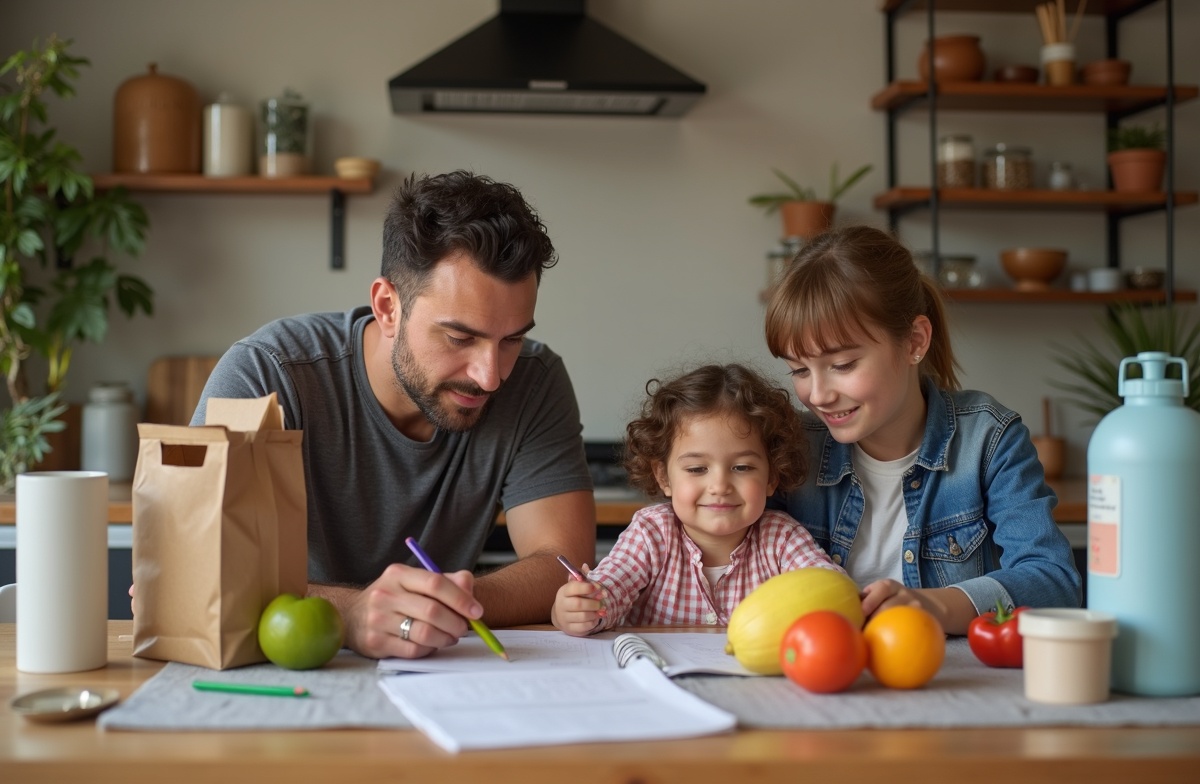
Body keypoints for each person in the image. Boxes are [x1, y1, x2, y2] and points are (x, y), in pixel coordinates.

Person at [192, 170, 597, 659]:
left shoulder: (535, 380)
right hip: (289, 666)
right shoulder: (266, 374)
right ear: (387, 307)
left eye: (511, 339)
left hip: (441, 665)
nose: (490, 376)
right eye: (459, 338)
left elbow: (564, 563)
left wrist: (437, 606)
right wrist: (351, 613)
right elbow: (199, 565)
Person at [763, 225, 1082, 636]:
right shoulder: (793, 446)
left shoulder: (988, 440)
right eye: (799, 370)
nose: (818, 394)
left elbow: (1054, 581)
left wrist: (933, 605)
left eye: (842, 365)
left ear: (914, 341)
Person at [552, 363, 843, 636]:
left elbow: (829, 588)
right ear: (664, 477)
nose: (719, 486)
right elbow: (610, 590)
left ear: (771, 477)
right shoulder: (651, 532)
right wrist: (580, 608)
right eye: (697, 469)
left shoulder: (782, 538)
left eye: (741, 467)